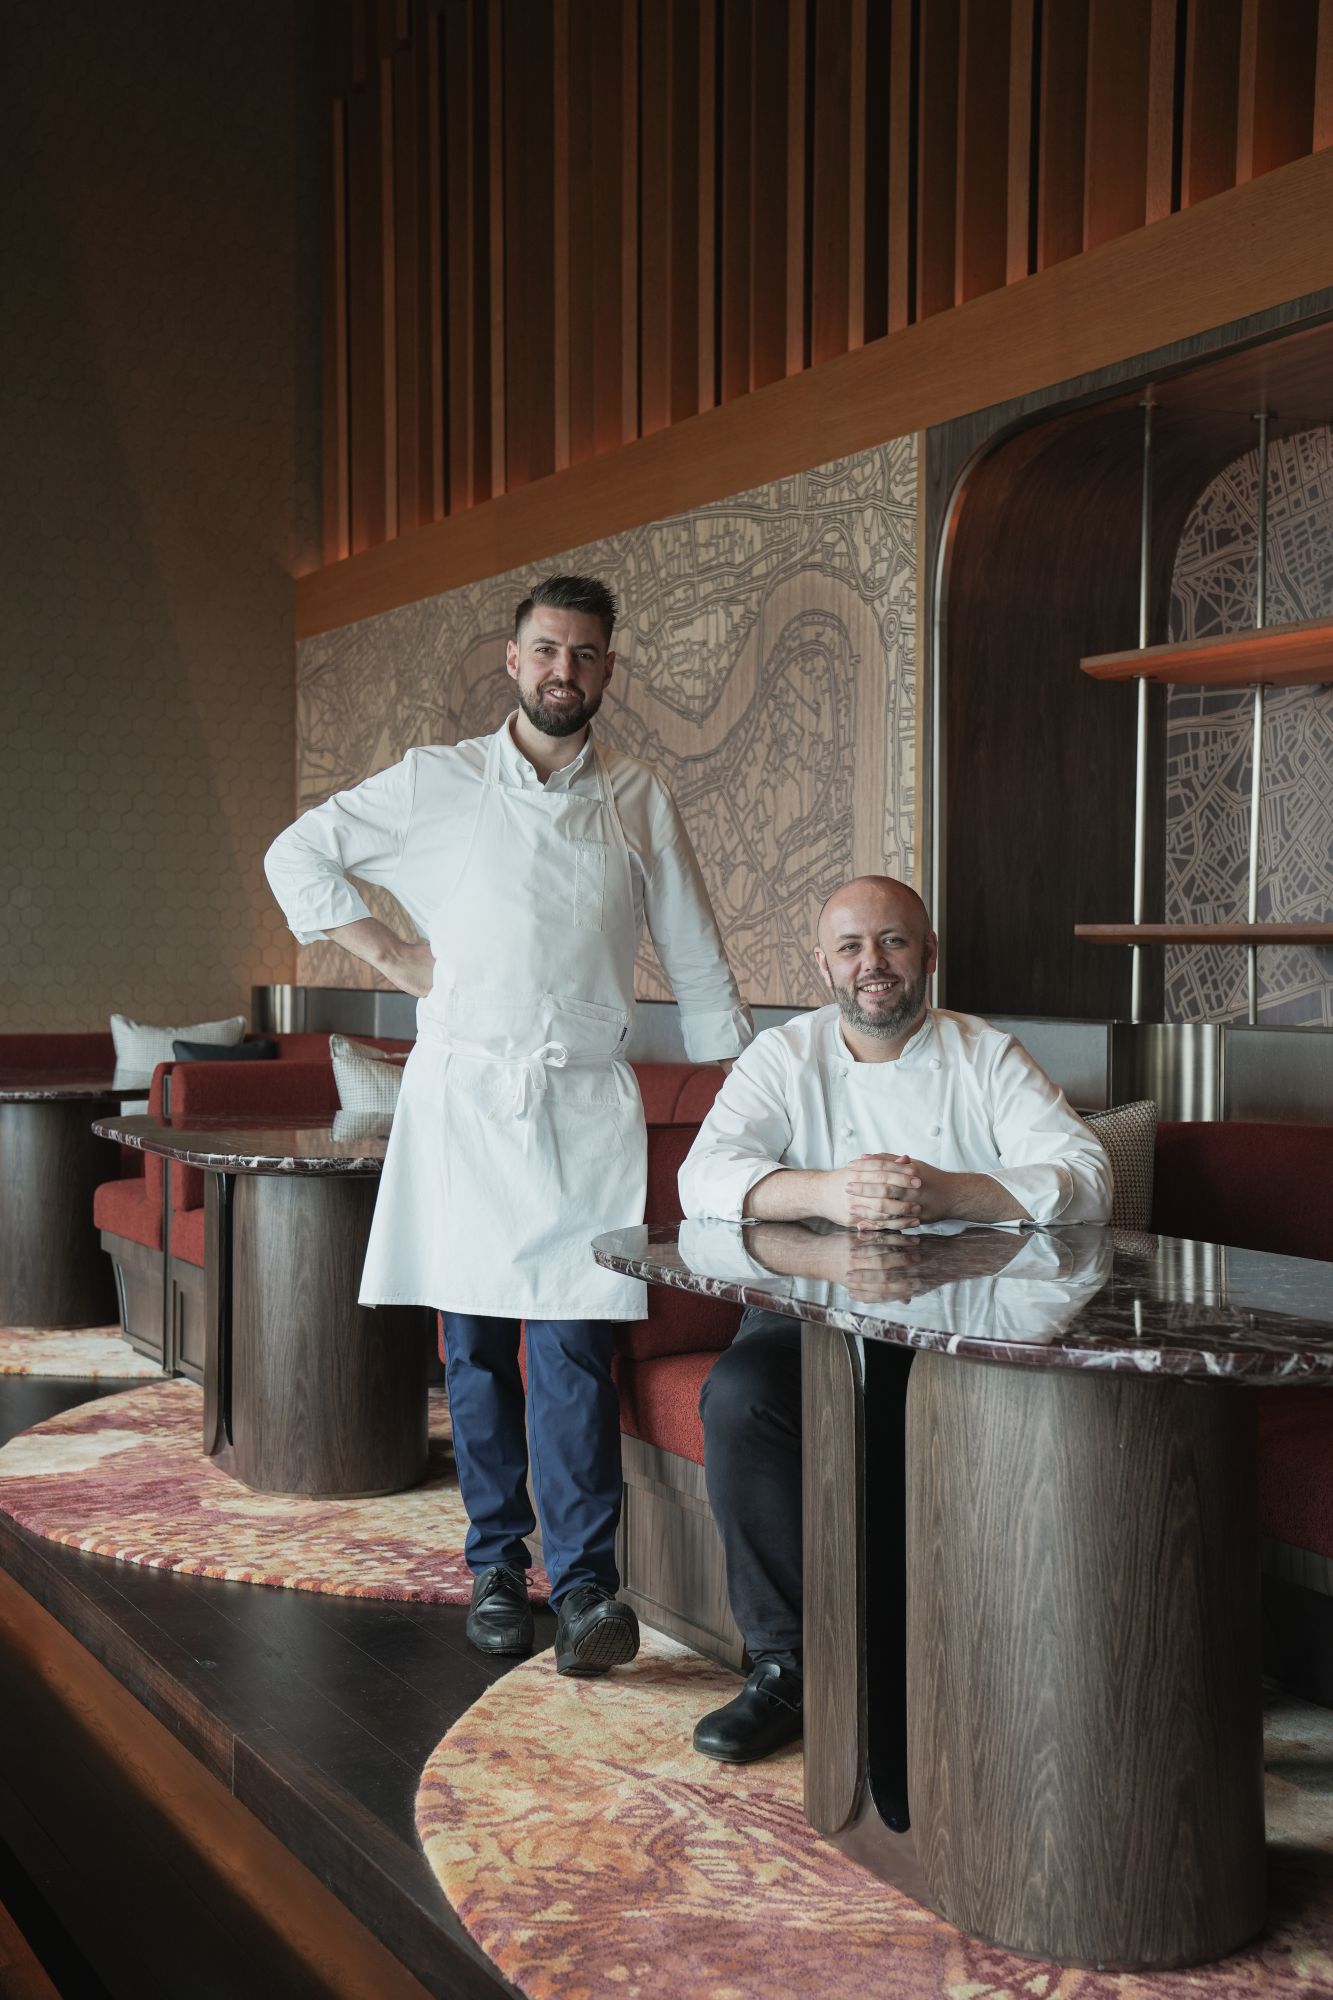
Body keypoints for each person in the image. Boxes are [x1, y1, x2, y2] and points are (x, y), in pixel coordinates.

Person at [265, 575, 751, 1676]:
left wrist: (746, 1092)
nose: (561, 670)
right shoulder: (433, 782)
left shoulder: (637, 796)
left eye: (583, 653)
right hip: (466, 1104)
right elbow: (296, 853)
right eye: (545, 649)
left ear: (607, 669)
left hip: (581, 1107)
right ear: (513, 658)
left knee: (573, 1346)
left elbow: (695, 952)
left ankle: (584, 1588)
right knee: (476, 1350)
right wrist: (393, 956)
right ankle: (495, 1566)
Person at [677, 873, 1112, 1760]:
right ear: (822, 964)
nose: (871, 964)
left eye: (892, 942)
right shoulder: (783, 1056)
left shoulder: (984, 1056)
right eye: (850, 947)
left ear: (929, 954)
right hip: (808, 1309)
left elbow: (1087, 1177)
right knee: (740, 1399)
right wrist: (825, 1192)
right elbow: (702, 1178)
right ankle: (786, 1668)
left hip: (970, 1317)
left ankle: (984, 1680)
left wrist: (952, 1192)